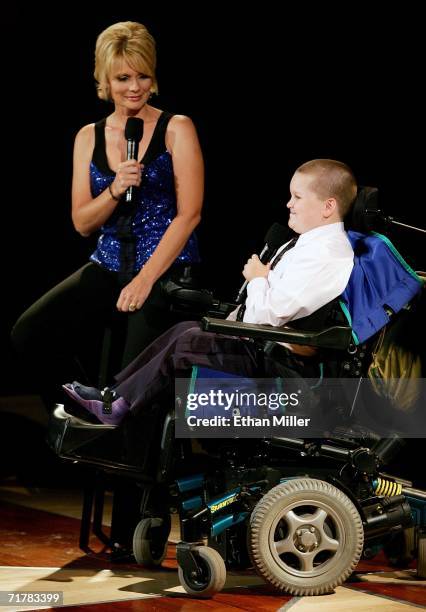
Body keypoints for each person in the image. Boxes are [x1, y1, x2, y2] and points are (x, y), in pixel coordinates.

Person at [63, 159, 357, 425]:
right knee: (185, 329)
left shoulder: (327, 254)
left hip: (278, 361)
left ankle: (119, 408)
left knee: (191, 340)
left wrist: (258, 278)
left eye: (298, 197)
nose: (288, 204)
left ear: (328, 207)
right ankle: (113, 396)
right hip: (261, 343)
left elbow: (268, 315)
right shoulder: (306, 243)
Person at [11, 21, 204, 409]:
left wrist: (145, 280)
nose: (134, 87)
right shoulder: (88, 136)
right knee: (29, 333)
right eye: (122, 77)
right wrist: (115, 189)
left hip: (162, 269)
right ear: (104, 80)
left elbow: (190, 215)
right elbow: (82, 222)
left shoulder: (175, 128)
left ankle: (128, 439)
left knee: (134, 380)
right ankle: (90, 408)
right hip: (109, 261)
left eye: (143, 75)